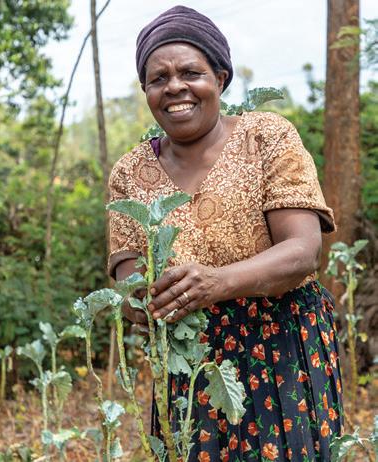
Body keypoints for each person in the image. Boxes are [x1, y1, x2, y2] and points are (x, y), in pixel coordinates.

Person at [107, 5, 343, 461]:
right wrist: (142, 302)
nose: (175, 87)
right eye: (158, 79)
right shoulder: (131, 173)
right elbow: (127, 280)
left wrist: (215, 283)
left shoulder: (267, 138)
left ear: (220, 78)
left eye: (190, 72)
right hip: (190, 361)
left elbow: (303, 250)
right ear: (146, 91)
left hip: (283, 349)